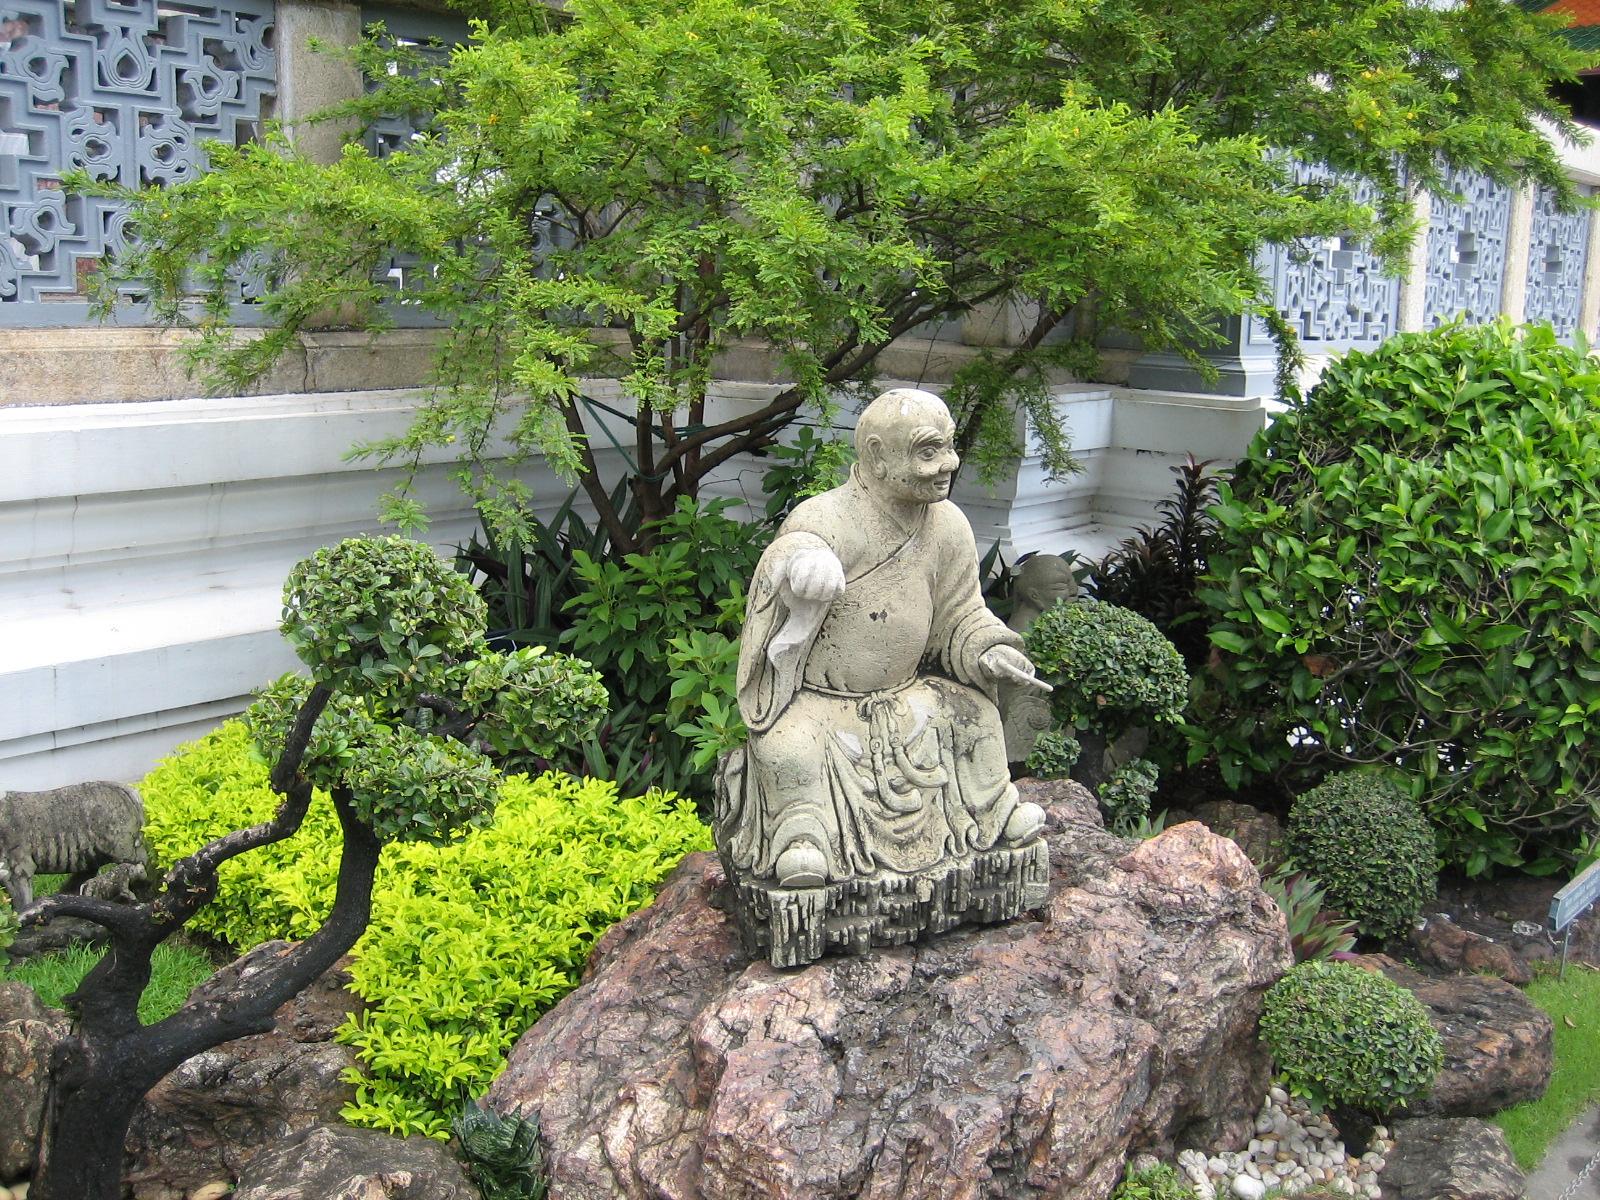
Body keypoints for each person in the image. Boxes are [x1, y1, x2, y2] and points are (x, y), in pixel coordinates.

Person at [717, 388, 1049, 889]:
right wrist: (803, 565)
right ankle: (803, 838)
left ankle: (992, 812)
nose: (949, 463)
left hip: (909, 696)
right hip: (823, 705)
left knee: (973, 714)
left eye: (950, 446)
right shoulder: (826, 518)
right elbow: (797, 549)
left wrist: (989, 648)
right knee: (786, 746)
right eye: (929, 450)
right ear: (877, 454)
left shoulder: (949, 526)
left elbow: (960, 613)